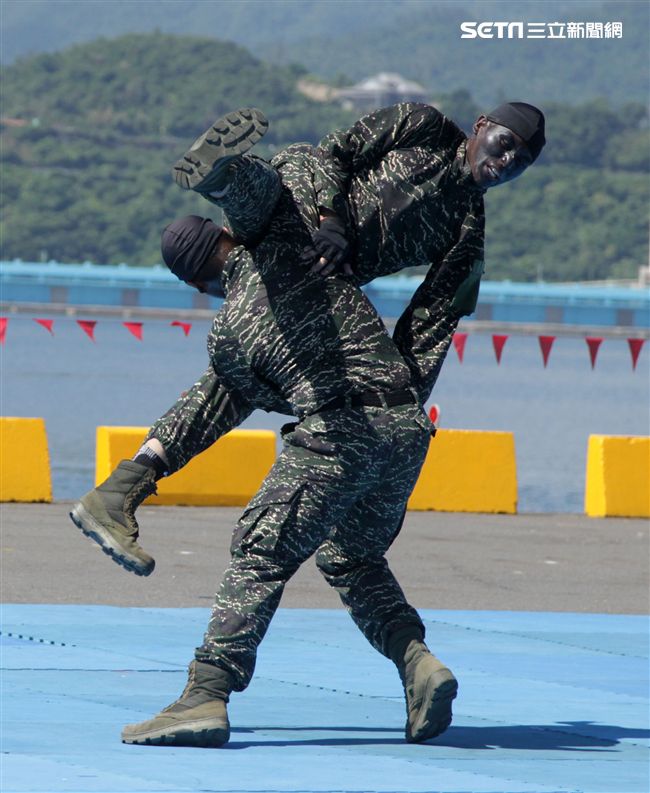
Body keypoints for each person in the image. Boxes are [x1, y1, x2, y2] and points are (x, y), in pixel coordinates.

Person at [70, 101, 545, 577]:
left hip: (311, 290)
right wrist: (330, 219)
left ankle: (116, 493)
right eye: (504, 146)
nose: (505, 164)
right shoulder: (424, 125)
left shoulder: (467, 232)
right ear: (481, 126)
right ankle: (223, 177)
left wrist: (399, 409)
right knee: (276, 196)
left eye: (519, 164)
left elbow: (431, 323)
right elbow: (333, 151)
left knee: (235, 381)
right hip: (305, 218)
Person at [117, 186, 456, 746]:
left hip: (341, 430)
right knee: (354, 556)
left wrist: (147, 463)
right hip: (406, 428)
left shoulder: (232, 327)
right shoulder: (310, 250)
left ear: (197, 284)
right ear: (227, 235)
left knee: (261, 551)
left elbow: (224, 401)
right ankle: (418, 663)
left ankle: (204, 695)